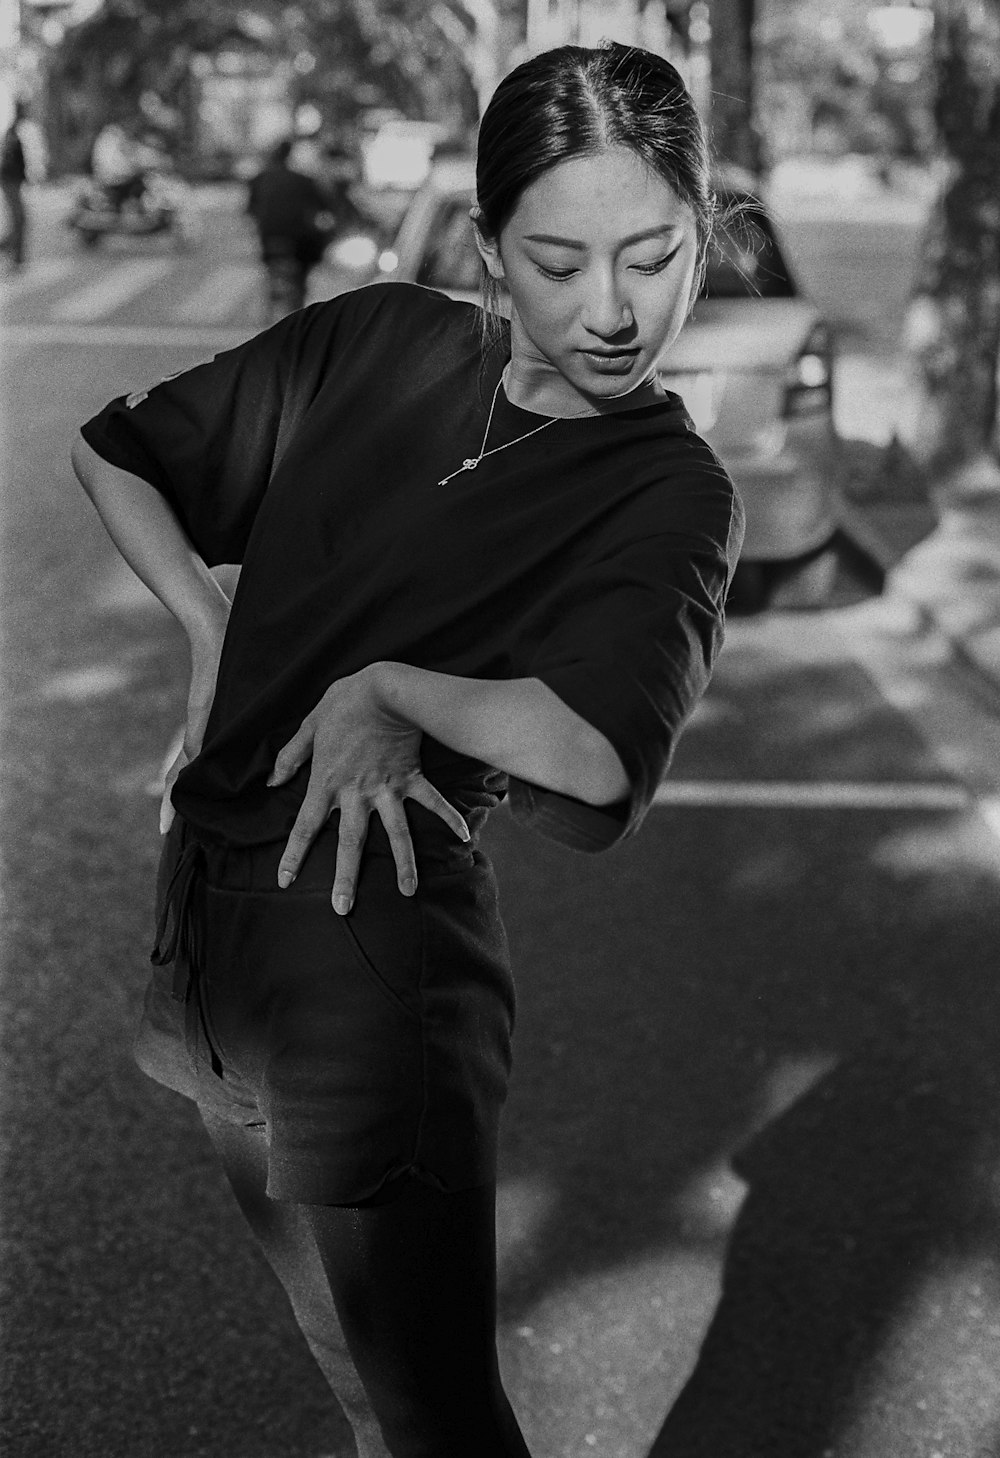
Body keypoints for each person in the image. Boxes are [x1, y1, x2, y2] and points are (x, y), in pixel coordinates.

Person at [71, 41, 744, 1458]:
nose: (614, 311)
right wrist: (206, 627)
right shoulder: (374, 339)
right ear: (493, 253)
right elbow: (119, 453)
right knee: (349, 1370)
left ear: (705, 226)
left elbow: (598, 755)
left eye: (653, 254)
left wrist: (400, 688)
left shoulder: (668, 488)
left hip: (375, 979)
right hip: (207, 934)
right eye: (559, 261)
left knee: (436, 1414)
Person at [246, 137, 334, 318]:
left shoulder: (259, 179)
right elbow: (325, 208)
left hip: (269, 236)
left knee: (272, 268)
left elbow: (251, 209)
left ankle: (272, 306)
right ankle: (299, 307)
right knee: (305, 266)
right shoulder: (303, 181)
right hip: (299, 238)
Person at [0, 100, 28, 270]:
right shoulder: (11, 134)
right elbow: (8, 161)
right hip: (10, 181)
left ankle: (15, 255)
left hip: (13, 181)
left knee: (19, 219)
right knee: (19, 218)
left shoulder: (17, 133)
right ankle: (15, 256)